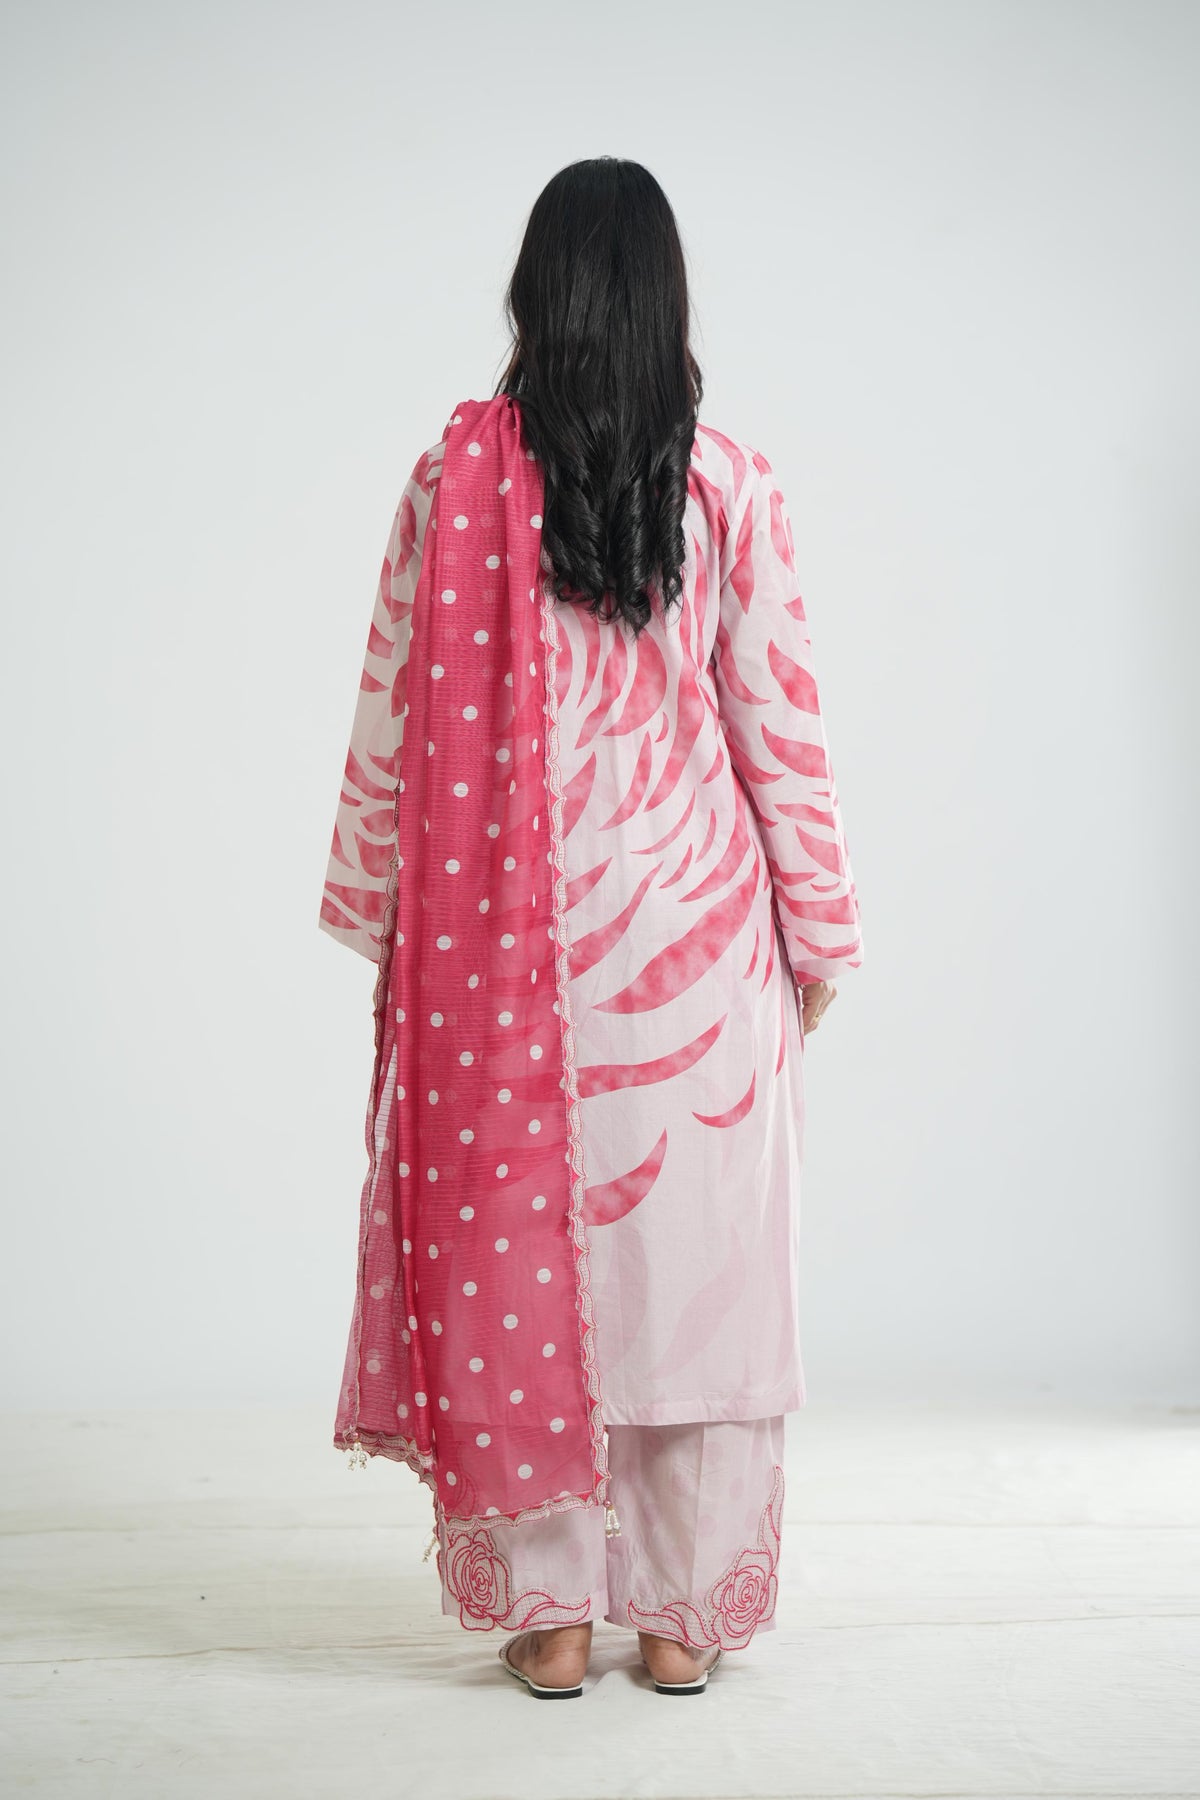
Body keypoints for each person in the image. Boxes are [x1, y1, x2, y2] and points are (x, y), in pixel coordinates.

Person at [318, 156, 864, 1698]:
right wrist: (819, 934)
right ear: (666, 299)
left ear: (534, 295)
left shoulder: (453, 483)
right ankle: (683, 1621)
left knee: (527, 1278)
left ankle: (553, 1617)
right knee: (699, 1283)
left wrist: (383, 914)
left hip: (506, 959)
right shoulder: (730, 481)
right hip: (698, 954)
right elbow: (780, 726)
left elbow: (391, 716)